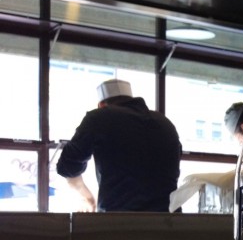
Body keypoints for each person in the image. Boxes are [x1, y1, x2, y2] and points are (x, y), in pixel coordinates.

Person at [57, 79, 182, 212]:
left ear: (101, 105)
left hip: (120, 219)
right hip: (169, 219)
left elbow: (68, 166)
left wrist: (87, 198)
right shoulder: (165, 123)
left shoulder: (99, 118)